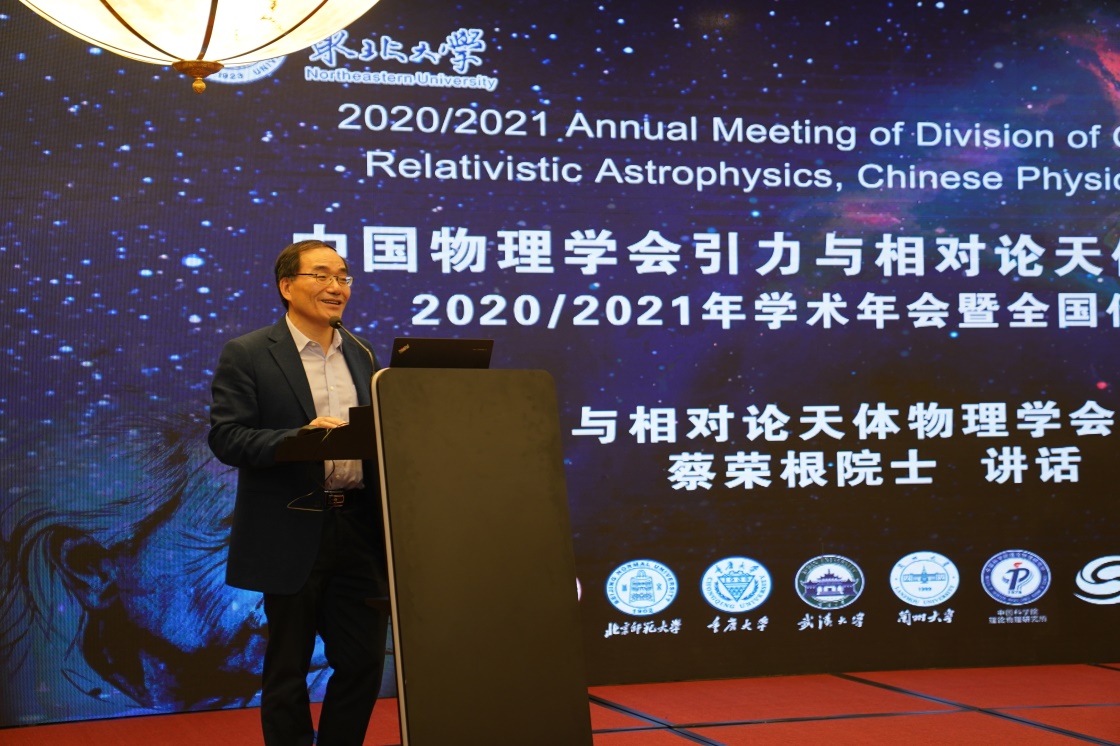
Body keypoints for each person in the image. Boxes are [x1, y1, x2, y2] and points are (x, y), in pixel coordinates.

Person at [208, 239, 389, 746]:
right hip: (291, 527)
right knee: (288, 666)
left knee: (363, 662)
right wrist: (297, 440)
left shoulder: (362, 353)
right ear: (287, 286)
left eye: (343, 277)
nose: (336, 287)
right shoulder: (248, 353)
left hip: (358, 528)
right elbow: (227, 438)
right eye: (322, 275)